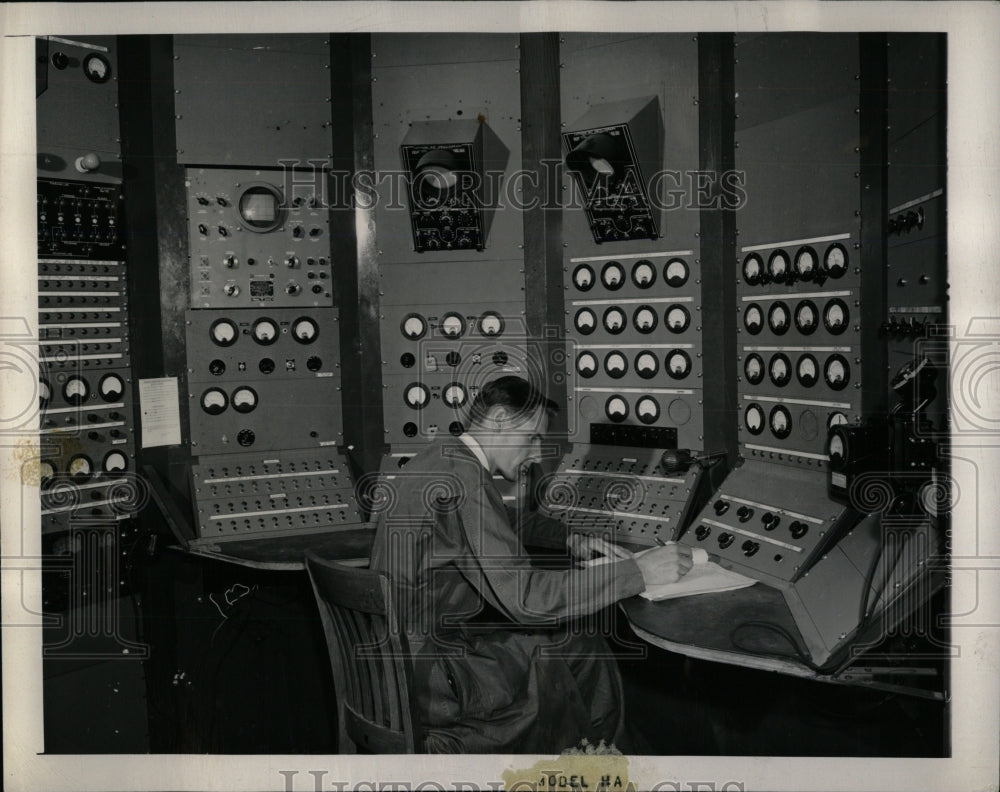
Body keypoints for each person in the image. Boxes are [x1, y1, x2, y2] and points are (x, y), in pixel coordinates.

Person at [369, 375, 693, 753]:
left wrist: (568, 538)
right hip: (437, 682)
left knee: (577, 640)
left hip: (397, 664)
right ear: (501, 419)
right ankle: (600, 763)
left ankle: (592, 754)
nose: (538, 453)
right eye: (533, 438)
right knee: (583, 642)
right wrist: (640, 572)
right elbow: (527, 601)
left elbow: (500, 515)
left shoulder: (442, 458)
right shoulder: (466, 479)